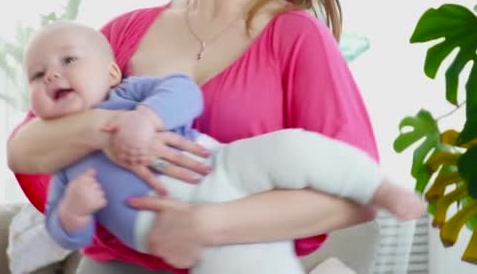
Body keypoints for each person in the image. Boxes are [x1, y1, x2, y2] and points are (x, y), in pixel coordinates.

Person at [8, 0, 388, 273]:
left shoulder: (297, 37)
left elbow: (358, 195)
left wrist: (209, 223)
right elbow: (23, 148)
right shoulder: (125, 31)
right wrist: (105, 131)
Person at [22, 21, 425, 273]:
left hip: (220, 164)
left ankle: (377, 186)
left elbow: (183, 92)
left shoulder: (132, 91)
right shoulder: (66, 161)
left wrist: (146, 118)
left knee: (290, 148)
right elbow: (62, 227)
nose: (52, 74)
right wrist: (74, 212)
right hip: (165, 231)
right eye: (37, 75)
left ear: (112, 71)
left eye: (68, 60)